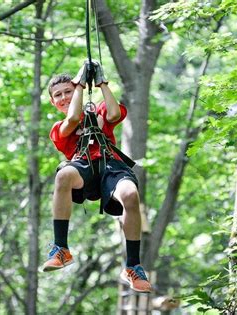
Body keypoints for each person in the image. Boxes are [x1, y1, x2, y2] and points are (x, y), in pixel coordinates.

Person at [41, 61, 152, 293]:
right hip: (82, 167)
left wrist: (101, 83)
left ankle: (133, 266)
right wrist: (80, 85)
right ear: (53, 102)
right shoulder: (58, 128)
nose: (64, 97)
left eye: (68, 91)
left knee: (131, 196)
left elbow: (113, 113)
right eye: (58, 95)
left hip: (111, 165)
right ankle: (61, 248)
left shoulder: (98, 110)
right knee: (63, 176)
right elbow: (72, 120)